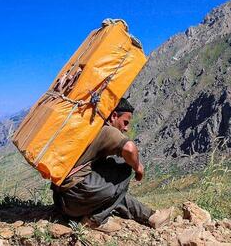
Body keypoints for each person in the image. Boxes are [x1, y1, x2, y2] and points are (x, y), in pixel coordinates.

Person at [51, 98, 172, 233]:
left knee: (113, 191)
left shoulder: (90, 127)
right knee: (123, 165)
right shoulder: (106, 130)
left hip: (62, 202)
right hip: (74, 199)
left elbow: (114, 194)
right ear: (114, 116)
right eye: (125, 122)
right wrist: (138, 168)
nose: (126, 128)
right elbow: (130, 148)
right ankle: (94, 220)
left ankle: (152, 216)